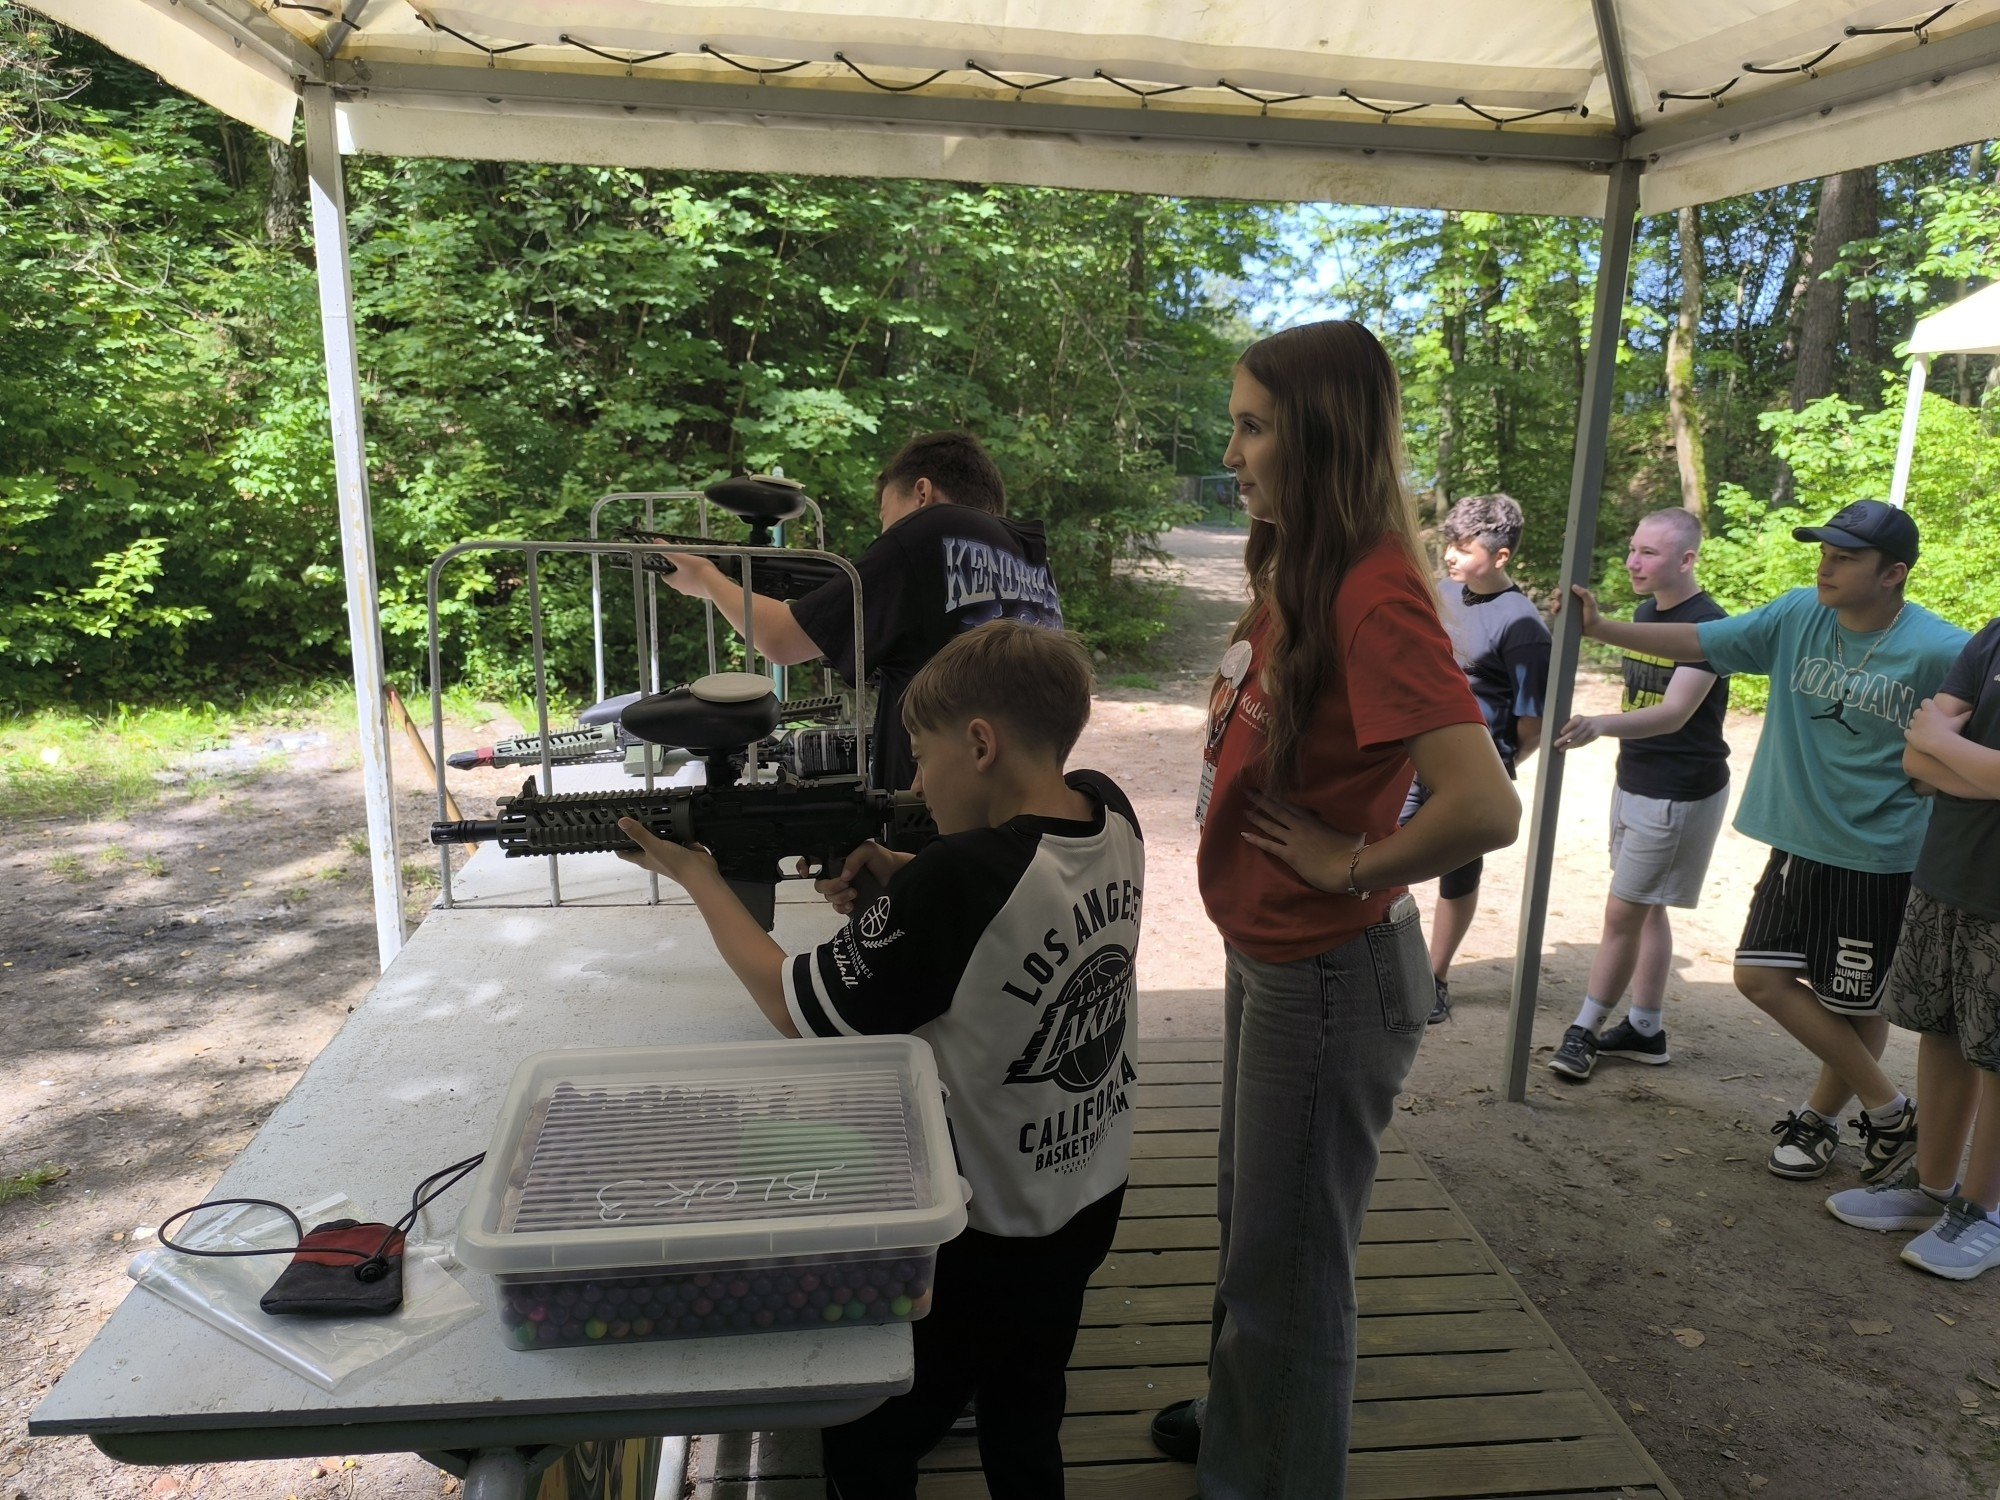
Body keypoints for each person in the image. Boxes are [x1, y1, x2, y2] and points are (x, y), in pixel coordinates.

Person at [615, 619, 1141, 1500]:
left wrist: (701, 879)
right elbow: (1018, 909)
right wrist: (903, 876)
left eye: (923, 758)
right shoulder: (1109, 808)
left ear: (981, 744)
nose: (917, 784)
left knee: (871, 1441)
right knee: (1026, 1405)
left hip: (984, 1232)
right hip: (1087, 1188)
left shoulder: (957, 880)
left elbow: (791, 1004)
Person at [1147, 321, 1521, 1499]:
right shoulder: (1301, 568)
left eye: (1253, 427)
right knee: (1254, 1230)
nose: (1232, 453)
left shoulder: (1371, 595)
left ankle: (1267, 1475)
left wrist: (1352, 863)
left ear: (1317, 437)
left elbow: (1484, 805)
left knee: (1293, 1269)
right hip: (1270, 956)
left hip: (1325, 973)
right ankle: (1245, 1420)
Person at [1567, 500, 1968, 1183]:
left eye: (1845, 558)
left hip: (1875, 854)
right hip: (1796, 841)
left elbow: (1971, 730)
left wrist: (1936, 775)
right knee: (1759, 976)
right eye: (1824, 553)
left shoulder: (1939, 648)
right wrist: (1602, 627)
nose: (1826, 567)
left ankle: (1819, 1119)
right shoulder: (1796, 615)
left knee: (1853, 1003)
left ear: (1893, 573)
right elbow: (1701, 641)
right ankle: (1892, 1112)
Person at [659, 431, 1063, 791]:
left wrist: (706, 579)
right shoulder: (1029, 558)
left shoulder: (929, 529)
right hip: (1016, 807)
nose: (886, 535)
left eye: (886, 517)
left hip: (930, 810)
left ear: (922, 493)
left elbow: (780, 640)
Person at [1825, 613, 2000, 1278]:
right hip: (1948, 872)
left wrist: (1942, 743)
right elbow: (1915, 759)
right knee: (1941, 1028)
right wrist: (1951, 753)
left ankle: (1984, 1212)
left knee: (1997, 1052)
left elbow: (1933, 742)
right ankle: (1933, 1189)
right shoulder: (1993, 636)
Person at [1547, 508, 1732, 1081]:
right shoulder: (1646, 614)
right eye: (1633, 548)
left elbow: (1675, 713)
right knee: (1646, 907)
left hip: (1678, 791)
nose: (1633, 562)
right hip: (1636, 779)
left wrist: (1599, 724)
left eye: (1649, 553)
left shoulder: (1708, 626)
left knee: (1622, 912)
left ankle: (1585, 1029)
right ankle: (1646, 1030)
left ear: (1687, 559)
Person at [1406, 492, 1550, 1024]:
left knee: (1459, 873)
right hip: (1413, 752)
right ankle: (1380, 966)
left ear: (1501, 556)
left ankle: (1434, 977)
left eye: (1464, 548)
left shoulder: (1524, 627)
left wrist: (1491, 769)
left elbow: (1532, 726)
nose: (1450, 555)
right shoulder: (1443, 593)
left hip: (1474, 768)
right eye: (1450, 543)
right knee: (1381, 852)